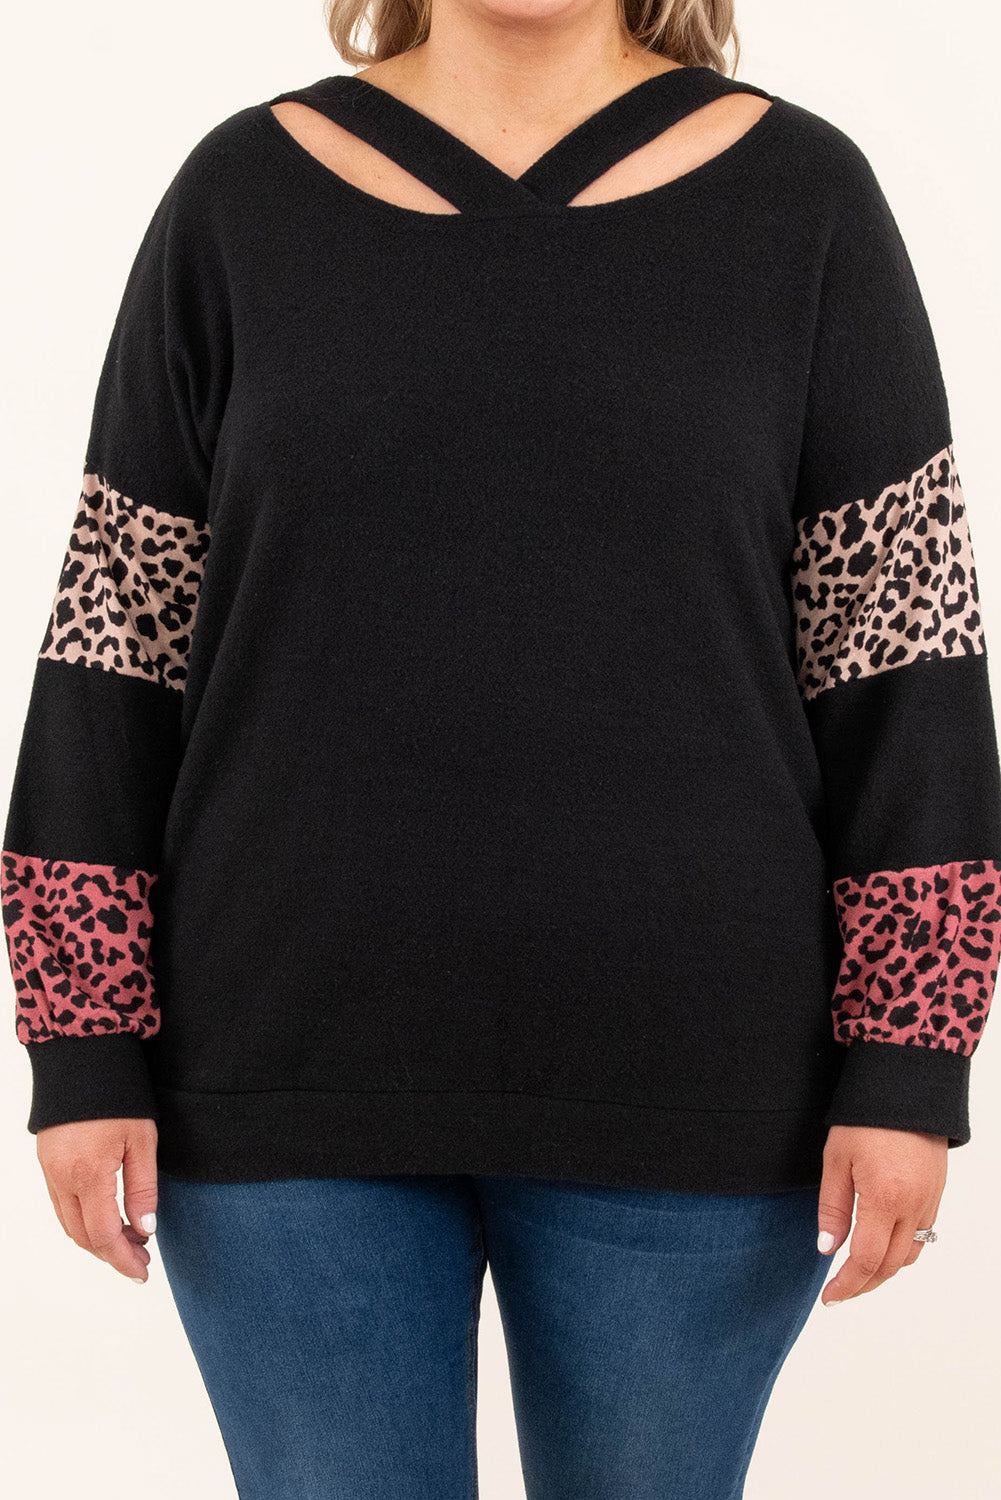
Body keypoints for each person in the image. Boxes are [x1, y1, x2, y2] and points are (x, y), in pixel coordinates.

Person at [4, 0, 999, 1495]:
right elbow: (114, 646)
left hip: (698, 1074)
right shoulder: (239, 198)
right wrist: (81, 1039)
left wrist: (910, 1062)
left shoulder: (806, 204)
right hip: (280, 1067)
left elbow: (905, 664)